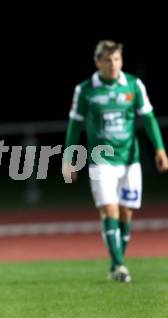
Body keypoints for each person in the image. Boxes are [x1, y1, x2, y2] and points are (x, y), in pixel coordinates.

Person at [63, 40, 168, 282]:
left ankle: (114, 264)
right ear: (97, 62)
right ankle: (120, 266)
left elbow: (149, 118)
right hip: (101, 161)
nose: (113, 65)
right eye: (108, 60)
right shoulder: (86, 90)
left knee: (126, 214)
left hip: (130, 160)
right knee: (108, 209)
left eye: (117, 59)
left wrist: (160, 149)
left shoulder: (133, 85)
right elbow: (75, 125)